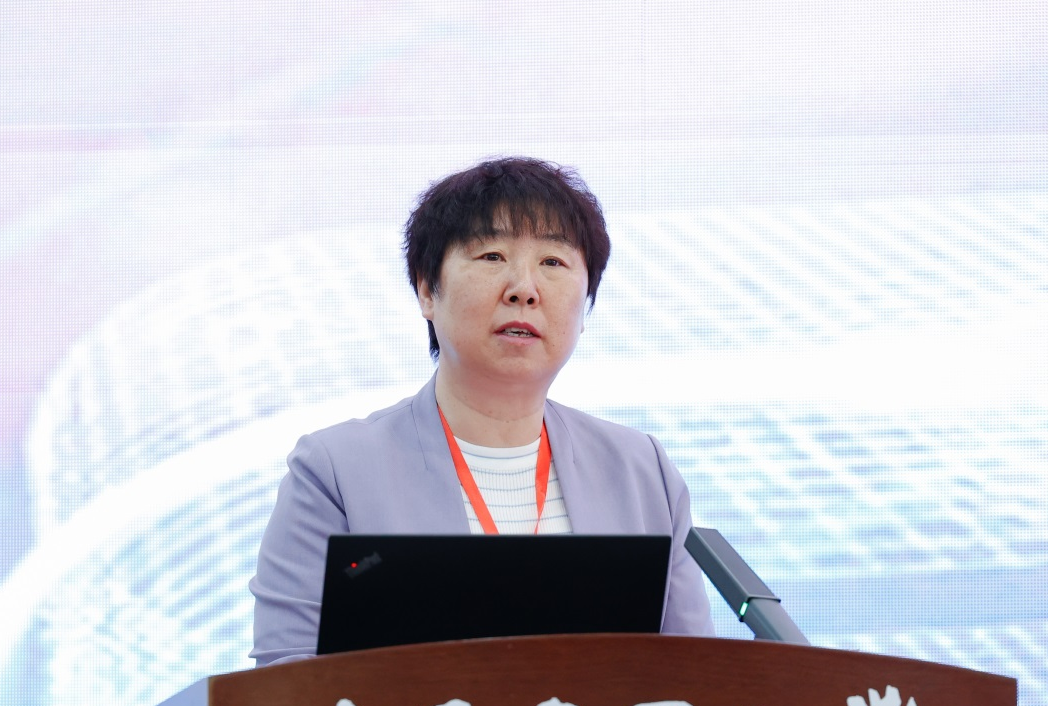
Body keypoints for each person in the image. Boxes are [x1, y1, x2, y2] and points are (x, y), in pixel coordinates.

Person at [249, 157, 715, 667]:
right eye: (492, 256)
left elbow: (696, 675)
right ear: (427, 290)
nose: (524, 289)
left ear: (586, 305)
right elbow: (284, 680)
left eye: (553, 262)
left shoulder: (641, 470)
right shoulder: (335, 471)